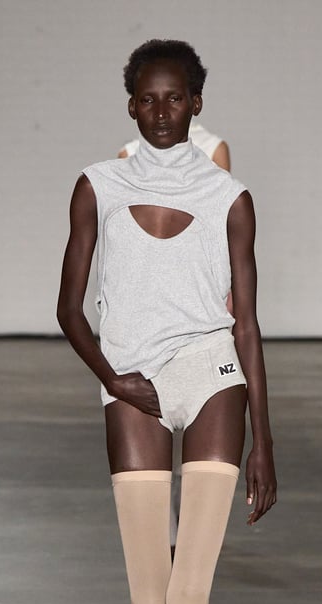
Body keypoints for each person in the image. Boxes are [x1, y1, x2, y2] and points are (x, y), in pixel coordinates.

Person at [56, 38, 277, 604]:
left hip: (211, 373)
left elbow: (246, 324)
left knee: (191, 593)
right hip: (132, 381)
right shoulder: (98, 185)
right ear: (130, 105)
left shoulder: (231, 196)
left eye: (175, 97)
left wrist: (264, 439)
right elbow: (68, 307)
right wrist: (115, 379)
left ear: (196, 103)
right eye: (147, 98)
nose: (161, 111)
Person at [117, 122, 233, 551]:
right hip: (146, 321)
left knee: (194, 443)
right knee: (151, 442)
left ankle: (181, 540)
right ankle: (166, 540)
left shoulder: (213, 148)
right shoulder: (128, 155)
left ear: (193, 99)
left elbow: (221, 230)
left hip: (198, 314)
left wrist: (229, 308)